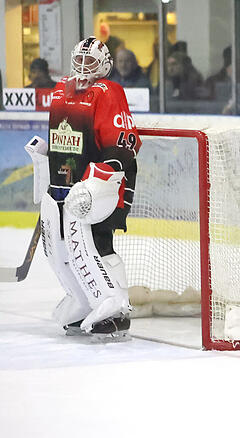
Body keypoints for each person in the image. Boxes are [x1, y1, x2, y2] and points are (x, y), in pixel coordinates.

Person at [25, 36, 141, 340]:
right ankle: (86, 300)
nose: (84, 66)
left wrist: (107, 172)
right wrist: (47, 154)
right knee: (63, 248)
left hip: (98, 186)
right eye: (80, 59)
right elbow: (66, 135)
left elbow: (125, 143)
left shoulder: (108, 91)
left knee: (97, 244)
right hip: (64, 183)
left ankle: (117, 310)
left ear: (105, 66)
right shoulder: (63, 88)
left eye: (91, 61)